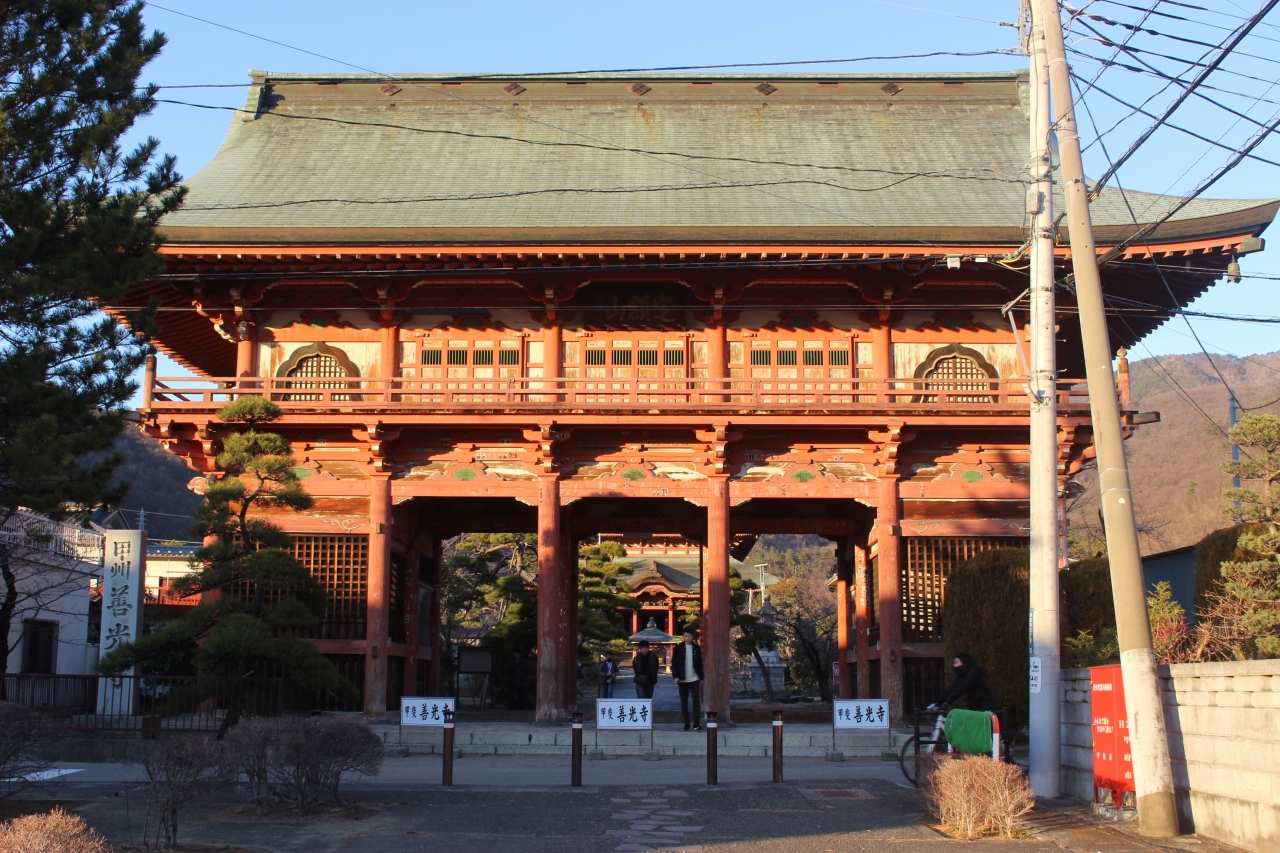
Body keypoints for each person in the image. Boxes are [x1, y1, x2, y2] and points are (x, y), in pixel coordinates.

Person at [928, 652, 998, 712]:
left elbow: (962, 688)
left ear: (964, 661)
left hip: (984, 705)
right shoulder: (963, 675)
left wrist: (947, 702)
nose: (954, 666)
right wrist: (936, 702)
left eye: (956, 662)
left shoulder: (973, 672)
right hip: (974, 704)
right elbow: (951, 689)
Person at [670, 630, 705, 731]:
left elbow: (699, 663)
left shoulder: (696, 648)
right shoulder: (678, 648)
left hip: (694, 678)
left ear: (692, 636)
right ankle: (686, 724)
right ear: (683, 637)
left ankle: (696, 723)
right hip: (682, 679)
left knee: (696, 701)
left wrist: (701, 677)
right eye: (686, 636)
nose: (687, 638)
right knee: (683, 702)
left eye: (689, 636)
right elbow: (674, 663)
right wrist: (675, 676)